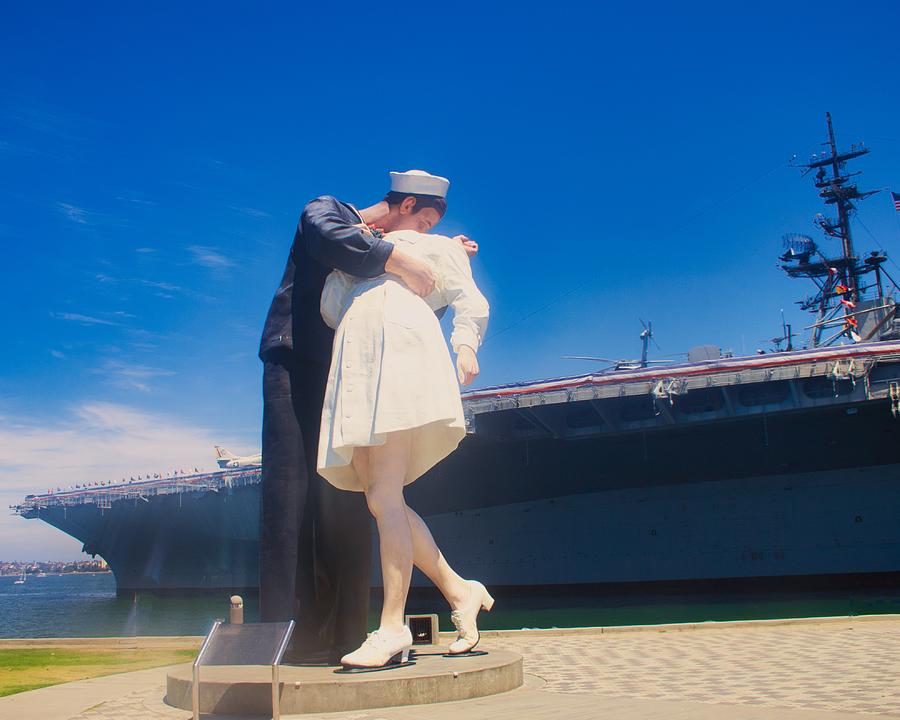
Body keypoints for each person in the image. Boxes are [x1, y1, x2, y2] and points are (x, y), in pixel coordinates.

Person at [258, 169, 475, 663]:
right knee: (290, 499)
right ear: (404, 206)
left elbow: (408, 306)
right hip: (296, 362)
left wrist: (441, 258)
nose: (422, 237)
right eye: (422, 222)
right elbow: (329, 238)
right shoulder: (330, 210)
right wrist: (399, 255)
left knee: (358, 503)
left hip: (353, 372)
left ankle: (350, 629)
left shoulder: (401, 249)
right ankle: (284, 635)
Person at [316, 172, 493, 670]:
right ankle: (461, 590)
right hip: (359, 356)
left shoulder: (435, 247)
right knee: (380, 497)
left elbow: (469, 300)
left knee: (384, 496)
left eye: (435, 222)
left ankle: (393, 626)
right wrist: (373, 243)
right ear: (407, 205)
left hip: (399, 347)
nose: (430, 226)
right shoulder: (369, 249)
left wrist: (464, 347)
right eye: (424, 217)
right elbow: (330, 307)